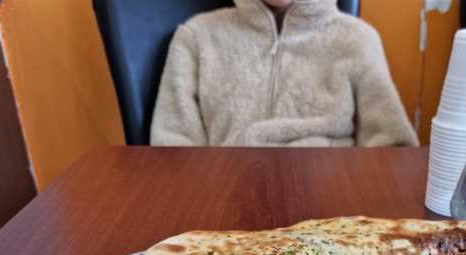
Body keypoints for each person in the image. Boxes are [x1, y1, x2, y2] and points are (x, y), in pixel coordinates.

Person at [151, 0, 418, 147]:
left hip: (331, 204)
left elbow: (393, 146)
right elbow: (172, 147)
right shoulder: (196, 36)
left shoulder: (357, 39)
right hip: (225, 198)